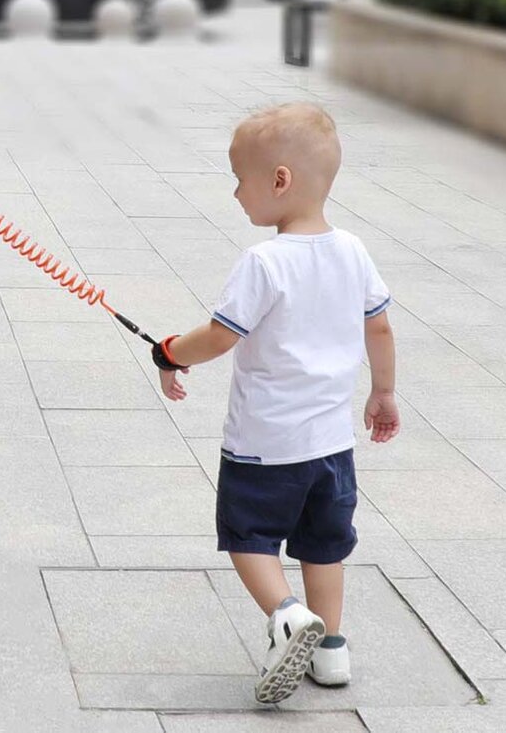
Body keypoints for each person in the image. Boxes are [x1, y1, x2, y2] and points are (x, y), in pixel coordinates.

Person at [150, 103, 399, 705]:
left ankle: (285, 615)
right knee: (324, 544)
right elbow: (381, 329)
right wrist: (384, 392)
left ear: (279, 180)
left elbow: (220, 336)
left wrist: (169, 353)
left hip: (263, 445)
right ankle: (331, 649)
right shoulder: (353, 250)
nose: (236, 192)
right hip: (332, 448)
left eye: (240, 178)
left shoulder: (263, 262)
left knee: (248, 537)